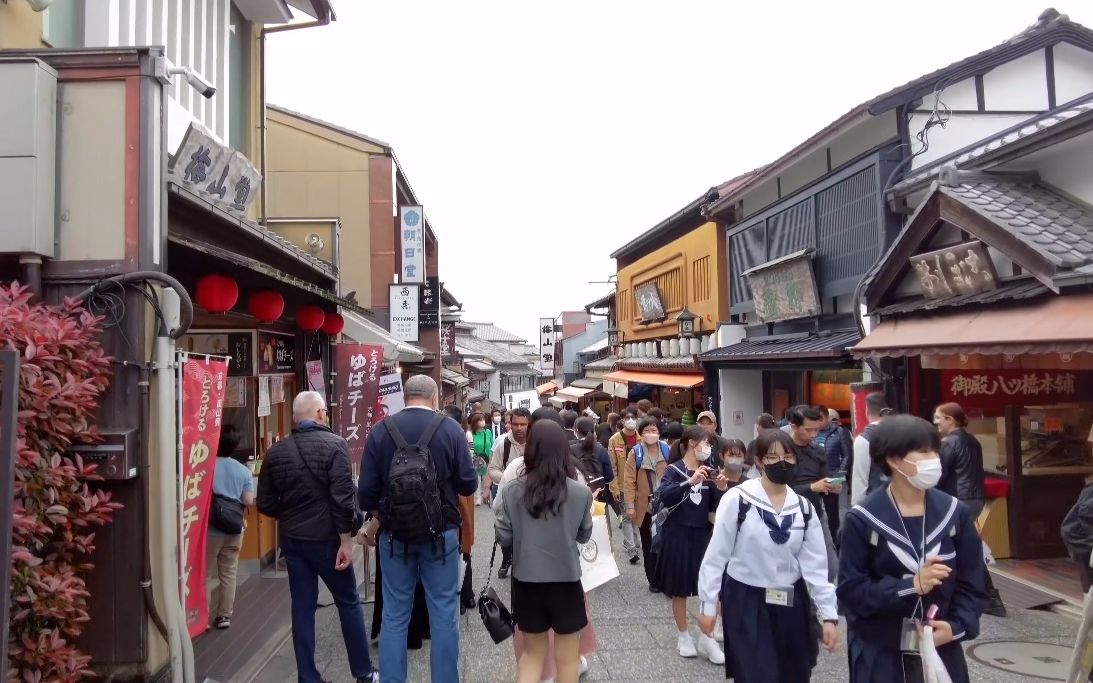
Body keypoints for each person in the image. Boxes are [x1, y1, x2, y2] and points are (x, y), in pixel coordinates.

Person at [838, 414, 984, 683]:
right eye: (924, 452)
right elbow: (851, 591)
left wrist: (955, 627)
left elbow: (974, 581)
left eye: (935, 451)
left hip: (941, 650)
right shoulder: (863, 519)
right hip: (881, 654)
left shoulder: (955, 513)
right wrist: (910, 586)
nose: (934, 460)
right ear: (894, 460)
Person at [357, 375, 478, 683]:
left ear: (404, 397)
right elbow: (468, 483)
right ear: (435, 398)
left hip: (394, 538)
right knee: (443, 613)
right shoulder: (450, 429)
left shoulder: (381, 431)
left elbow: (367, 494)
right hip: (441, 536)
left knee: (395, 615)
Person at [697, 428, 839, 682]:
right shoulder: (738, 500)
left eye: (788, 456)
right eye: (772, 457)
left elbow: (816, 566)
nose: (782, 463)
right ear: (760, 461)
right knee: (756, 673)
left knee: (792, 673)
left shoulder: (803, 509)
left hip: (790, 601)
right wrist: (709, 606)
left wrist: (829, 615)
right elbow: (715, 557)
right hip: (745, 599)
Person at [256, 391, 377, 683]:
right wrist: (346, 540)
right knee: (347, 601)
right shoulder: (335, 445)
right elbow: (342, 499)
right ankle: (362, 672)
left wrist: (289, 515)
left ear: (296, 418)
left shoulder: (276, 452)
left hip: (294, 541)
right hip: (328, 540)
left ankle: (307, 677)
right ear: (321, 413)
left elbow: (265, 502)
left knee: (302, 606)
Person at [497, 420, 593, 683]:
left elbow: (503, 534)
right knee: (567, 657)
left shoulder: (512, 490)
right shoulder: (580, 492)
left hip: (527, 580)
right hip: (566, 579)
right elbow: (584, 534)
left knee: (533, 654)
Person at [653, 425, 727, 665]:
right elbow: (665, 495)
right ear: (693, 444)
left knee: (710, 587)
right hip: (678, 534)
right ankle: (683, 635)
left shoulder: (711, 471)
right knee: (680, 588)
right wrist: (690, 481)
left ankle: (707, 635)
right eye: (706, 443)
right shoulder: (674, 470)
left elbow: (715, 507)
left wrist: (722, 489)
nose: (709, 448)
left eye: (710, 444)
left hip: (703, 535)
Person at [934, 402, 1005, 617]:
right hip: (974, 497)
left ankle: (988, 596)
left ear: (950, 420)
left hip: (957, 498)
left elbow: (940, 475)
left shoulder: (948, 443)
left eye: (938, 417)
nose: (935, 421)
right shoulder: (972, 440)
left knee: (960, 545)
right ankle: (985, 596)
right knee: (964, 544)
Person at [205, 425, 254, 630]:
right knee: (228, 573)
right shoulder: (243, 471)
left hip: (210, 530)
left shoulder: (206, 468)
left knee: (205, 576)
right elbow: (248, 501)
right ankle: (224, 616)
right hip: (234, 529)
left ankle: (202, 619)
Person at [623, 417, 669, 590]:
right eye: (647, 430)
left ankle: (665, 577)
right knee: (649, 544)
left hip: (665, 505)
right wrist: (630, 506)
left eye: (654, 430)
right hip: (645, 506)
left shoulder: (666, 450)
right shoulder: (636, 453)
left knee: (665, 542)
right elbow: (628, 481)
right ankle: (654, 581)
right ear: (641, 433)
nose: (651, 433)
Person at [487, 407, 531, 578]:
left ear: (530, 424)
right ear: (510, 424)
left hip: (530, 495)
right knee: (503, 528)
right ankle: (506, 559)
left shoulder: (536, 442)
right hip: (506, 494)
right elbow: (493, 469)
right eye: (515, 424)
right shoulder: (503, 444)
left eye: (523, 424)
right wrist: (507, 477)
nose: (519, 428)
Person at [608, 410, 641, 564]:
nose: (630, 420)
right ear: (621, 420)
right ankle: (631, 548)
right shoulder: (614, 440)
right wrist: (614, 487)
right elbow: (612, 466)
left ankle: (635, 541)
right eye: (627, 418)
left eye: (633, 417)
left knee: (636, 515)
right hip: (622, 485)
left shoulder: (642, 438)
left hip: (640, 485)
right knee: (627, 516)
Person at [815, 407, 851, 544]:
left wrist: (839, 478)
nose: (818, 423)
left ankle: (836, 541)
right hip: (815, 477)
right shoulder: (812, 433)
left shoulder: (840, 432)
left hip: (832, 476)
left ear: (827, 418)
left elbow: (847, 456)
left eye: (821, 419)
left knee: (833, 512)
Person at [851, 392, 890, 505]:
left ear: (866, 410)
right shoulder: (906, 434)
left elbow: (860, 480)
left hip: (876, 501)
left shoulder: (864, 439)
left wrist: (857, 509)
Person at [571, 416, 614, 495]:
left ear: (576, 431)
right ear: (593, 429)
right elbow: (609, 477)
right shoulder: (601, 449)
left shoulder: (570, 449)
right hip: (598, 495)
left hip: (578, 495)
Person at [465, 412, 494, 505]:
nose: (483, 422)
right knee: (477, 478)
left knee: (487, 478)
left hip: (488, 458)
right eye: (480, 420)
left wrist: (492, 458)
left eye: (483, 420)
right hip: (476, 459)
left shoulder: (488, 432)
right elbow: (470, 447)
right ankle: (478, 498)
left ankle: (487, 496)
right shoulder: (470, 434)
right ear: (475, 422)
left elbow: (492, 445)